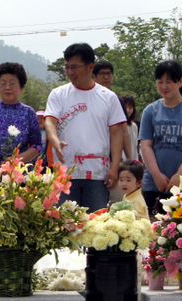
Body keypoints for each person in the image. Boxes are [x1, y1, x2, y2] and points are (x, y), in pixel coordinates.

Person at [44, 43, 126, 212]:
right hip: (65, 174)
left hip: (97, 175)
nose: (70, 72)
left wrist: (115, 167)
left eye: (75, 67)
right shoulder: (58, 94)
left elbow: (117, 134)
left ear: (90, 67)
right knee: (65, 226)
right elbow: (50, 122)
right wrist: (55, 140)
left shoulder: (108, 97)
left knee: (95, 227)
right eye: (67, 67)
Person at [138, 60, 182, 215]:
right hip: (154, 184)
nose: (164, 87)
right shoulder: (150, 111)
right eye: (160, 82)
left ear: (180, 82)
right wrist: (156, 175)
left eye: (169, 82)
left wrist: (180, 175)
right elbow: (145, 145)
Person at [92, 60, 132, 160]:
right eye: (102, 74)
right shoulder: (87, 99)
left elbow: (124, 131)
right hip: (90, 155)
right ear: (94, 76)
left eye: (109, 73)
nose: (106, 77)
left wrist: (129, 158)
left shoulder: (116, 100)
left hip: (111, 158)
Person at [121, 95, 140, 161]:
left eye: (131, 108)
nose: (128, 110)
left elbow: (134, 147)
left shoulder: (134, 126)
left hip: (130, 163)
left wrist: (136, 161)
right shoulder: (114, 125)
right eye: (125, 107)